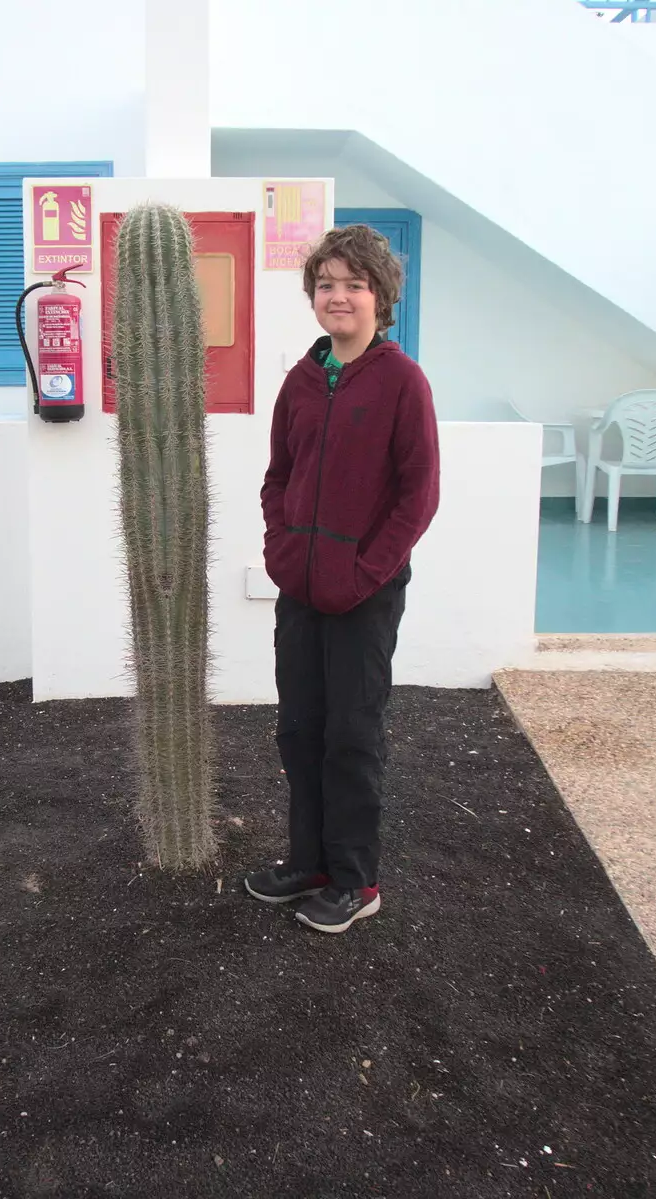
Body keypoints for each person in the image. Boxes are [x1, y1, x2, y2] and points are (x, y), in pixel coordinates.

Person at [244, 224, 441, 934]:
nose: (338, 296)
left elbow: (417, 495)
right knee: (299, 729)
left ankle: (357, 880)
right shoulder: (301, 380)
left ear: (379, 295)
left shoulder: (400, 380)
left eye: (353, 284)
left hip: (364, 593)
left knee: (352, 734)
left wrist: (364, 572)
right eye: (326, 284)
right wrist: (281, 551)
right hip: (300, 587)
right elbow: (278, 477)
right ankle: (310, 863)